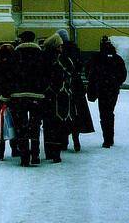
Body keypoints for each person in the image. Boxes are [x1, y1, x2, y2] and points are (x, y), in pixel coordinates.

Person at [8, 30, 47, 167]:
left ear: (21, 40)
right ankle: (35, 155)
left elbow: (9, 75)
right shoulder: (40, 55)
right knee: (35, 125)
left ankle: (24, 157)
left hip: (18, 96)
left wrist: (10, 92)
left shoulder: (15, 55)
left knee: (21, 126)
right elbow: (45, 74)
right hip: (37, 95)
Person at [56, 29, 94, 151]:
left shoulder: (60, 52)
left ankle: (64, 141)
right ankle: (76, 140)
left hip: (65, 86)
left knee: (64, 112)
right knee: (77, 113)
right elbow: (79, 66)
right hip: (77, 86)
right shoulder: (76, 50)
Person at [87, 35, 127, 148]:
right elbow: (123, 74)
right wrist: (116, 83)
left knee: (104, 114)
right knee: (109, 112)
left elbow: (90, 73)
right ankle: (110, 138)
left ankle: (107, 139)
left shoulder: (97, 58)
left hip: (102, 90)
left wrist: (94, 85)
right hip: (113, 90)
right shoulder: (117, 58)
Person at [42, 32, 74, 163]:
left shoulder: (45, 59)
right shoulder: (58, 60)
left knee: (49, 124)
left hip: (50, 96)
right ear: (55, 46)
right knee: (56, 124)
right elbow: (69, 71)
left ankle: (50, 151)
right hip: (57, 96)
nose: (62, 47)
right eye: (60, 45)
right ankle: (56, 152)